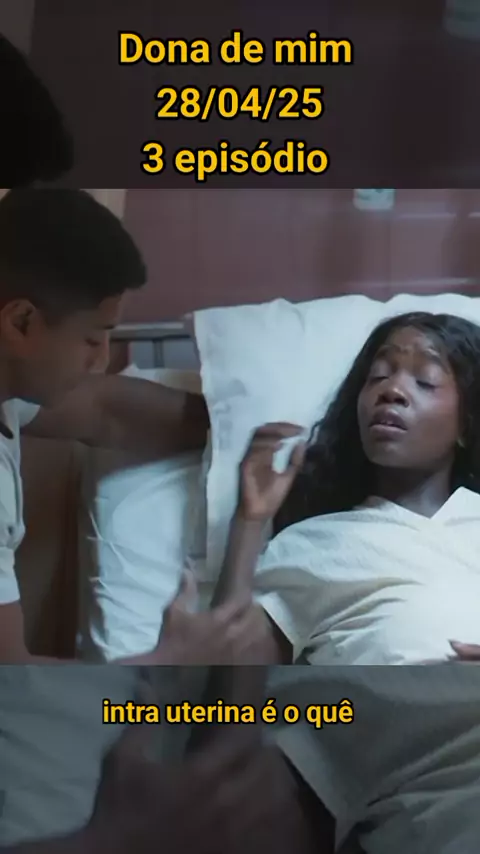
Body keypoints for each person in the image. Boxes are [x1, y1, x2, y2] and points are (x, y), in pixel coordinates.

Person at [0, 189, 269, 665]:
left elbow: (107, 411)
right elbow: (14, 682)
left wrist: (235, 427)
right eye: (91, 339)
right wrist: (173, 657)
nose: (102, 360)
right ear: (21, 322)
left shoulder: (10, 393)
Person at [223, 312, 480, 665]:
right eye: (379, 376)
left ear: (466, 425)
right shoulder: (313, 546)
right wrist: (248, 523)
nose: (391, 390)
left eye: (425, 381)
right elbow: (228, 675)